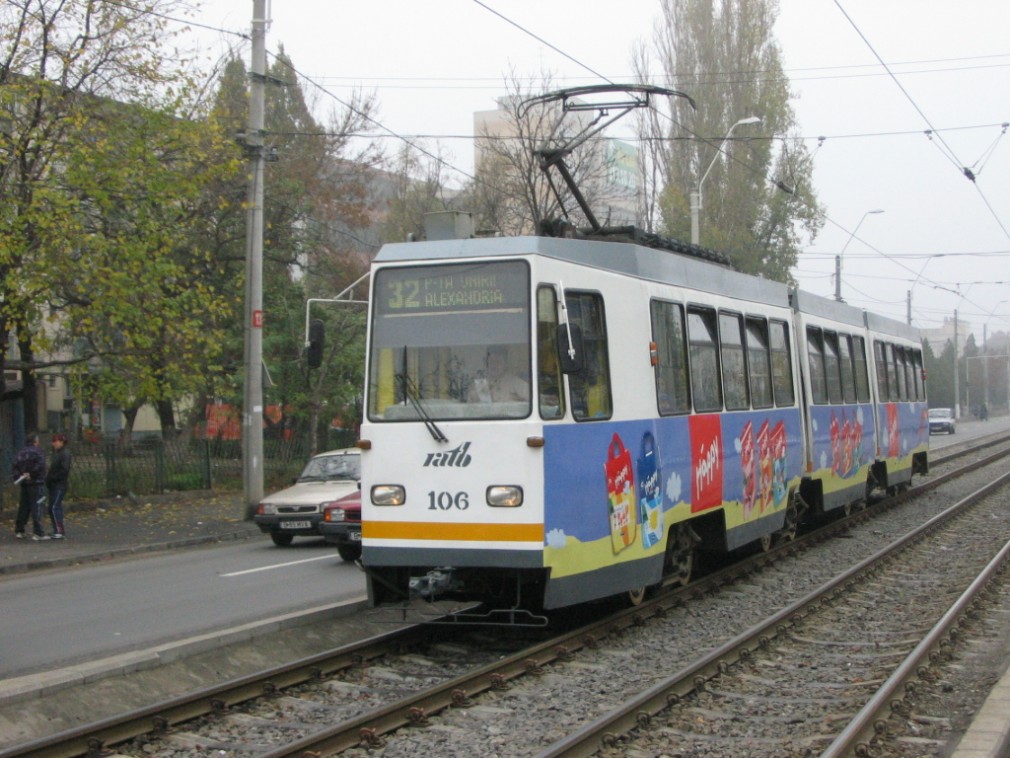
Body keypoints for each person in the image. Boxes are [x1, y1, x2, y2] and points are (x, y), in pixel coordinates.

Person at [12, 432, 49, 541]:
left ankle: (19, 530)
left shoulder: (20, 453)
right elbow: (41, 466)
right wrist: (32, 474)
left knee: (24, 507)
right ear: (35, 441)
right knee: (37, 506)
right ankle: (38, 532)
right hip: (36, 483)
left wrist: (20, 477)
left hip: (24, 483)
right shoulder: (38, 452)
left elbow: (15, 467)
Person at [46, 432, 71, 538]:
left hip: (59, 484)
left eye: (55, 442)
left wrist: (53, 477)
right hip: (54, 484)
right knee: (52, 507)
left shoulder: (64, 454)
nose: (53, 444)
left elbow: (64, 470)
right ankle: (56, 529)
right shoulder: (57, 454)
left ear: (61, 442)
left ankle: (59, 530)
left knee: (54, 506)